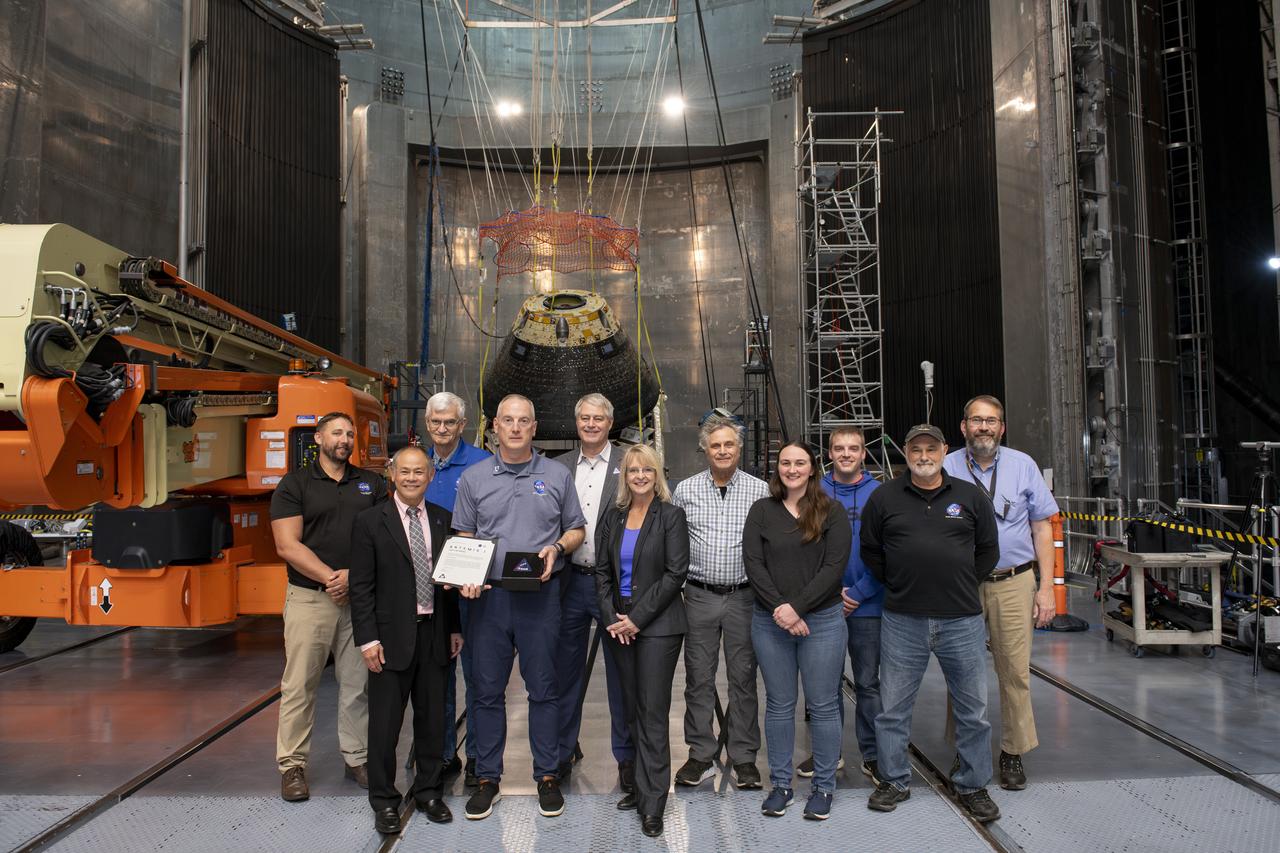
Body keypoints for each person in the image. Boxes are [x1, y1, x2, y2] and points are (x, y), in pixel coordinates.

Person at [451, 394, 587, 821]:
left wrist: (557, 548)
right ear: (495, 425)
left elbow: (576, 529)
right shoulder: (473, 479)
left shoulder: (556, 475)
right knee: (487, 691)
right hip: (489, 599)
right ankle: (488, 778)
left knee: (544, 690)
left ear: (533, 427)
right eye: (507, 420)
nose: (514, 428)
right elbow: (465, 535)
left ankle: (547, 776)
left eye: (523, 421)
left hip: (540, 599)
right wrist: (467, 573)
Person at [861, 424, 1002, 823]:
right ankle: (893, 780)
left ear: (945, 451)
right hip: (903, 618)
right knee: (893, 708)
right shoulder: (884, 497)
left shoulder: (970, 496)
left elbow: (988, 551)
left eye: (931, 449)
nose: (924, 456)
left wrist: (957, 581)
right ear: (905, 452)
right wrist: (902, 581)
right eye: (916, 449)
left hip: (961, 619)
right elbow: (872, 550)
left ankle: (973, 784)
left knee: (973, 708)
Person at [942, 395, 1059, 790]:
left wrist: (1047, 589)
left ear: (1002, 428)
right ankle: (968, 747)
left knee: (1014, 670)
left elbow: (1043, 527)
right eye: (976, 420)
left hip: (1014, 581)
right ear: (963, 427)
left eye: (991, 421)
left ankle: (1013, 752)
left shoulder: (1023, 465)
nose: (984, 428)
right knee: (962, 671)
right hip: (962, 585)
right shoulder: (947, 465)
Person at [270, 412, 387, 801]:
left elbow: (385, 538)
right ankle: (292, 766)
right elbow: (287, 544)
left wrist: (353, 577)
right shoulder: (295, 484)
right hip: (310, 599)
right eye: (337, 432)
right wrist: (330, 577)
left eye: (350, 434)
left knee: (357, 684)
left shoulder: (371, 484)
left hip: (359, 601)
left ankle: (357, 757)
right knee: (299, 684)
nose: (345, 439)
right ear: (318, 438)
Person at [349, 446, 463, 834]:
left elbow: (449, 583)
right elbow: (361, 588)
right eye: (406, 472)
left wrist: (454, 628)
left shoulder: (442, 519)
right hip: (389, 638)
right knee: (384, 725)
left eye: (420, 472)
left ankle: (429, 790)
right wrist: (367, 640)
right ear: (392, 475)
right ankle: (384, 800)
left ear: (430, 477)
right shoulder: (369, 522)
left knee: (432, 719)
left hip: (433, 632)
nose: (413, 478)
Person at [743, 442, 852, 821]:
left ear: (812, 468)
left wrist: (798, 608)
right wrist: (781, 610)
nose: (792, 469)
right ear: (778, 468)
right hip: (770, 622)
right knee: (779, 704)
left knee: (822, 706)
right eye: (785, 462)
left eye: (799, 463)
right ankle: (782, 786)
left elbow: (833, 568)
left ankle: (823, 787)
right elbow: (754, 565)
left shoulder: (831, 511)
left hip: (821, 621)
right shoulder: (762, 511)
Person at [594, 443, 689, 838]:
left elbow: (674, 573)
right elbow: (601, 572)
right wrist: (613, 619)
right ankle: (637, 786)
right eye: (633, 470)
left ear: (657, 474)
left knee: (651, 712)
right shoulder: (612, 517)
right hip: (619, 625)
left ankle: (654, 803)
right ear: (624, 475)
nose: (639, 476)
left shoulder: (670, 516)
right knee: (629, 708)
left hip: (658, 626)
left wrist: (636, 619)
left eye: (647, 470)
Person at [672, 415, 769, 790]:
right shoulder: (686, 490)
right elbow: (676, 543)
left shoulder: (759, 490)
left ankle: (744, 757)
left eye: (729, 445)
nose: (723, 451)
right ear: (705, 450)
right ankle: (701, 754)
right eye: (716, 445)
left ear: (739, 448)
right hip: (698, 595)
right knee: (698, 679)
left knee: (743, 679)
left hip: (744, 597)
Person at [551, 394, 636, 793]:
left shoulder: (628, 465)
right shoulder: (558, 468)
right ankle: (563, 751)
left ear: (610, 422)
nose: (590, 424)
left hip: (613, 587)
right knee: (564, 674)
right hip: (569, 584)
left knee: (622, 676)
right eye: (584, 417)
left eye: (598, 418)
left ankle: (626, 758)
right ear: (576, 421)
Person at [795, 426, 883, 783]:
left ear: (864, 453)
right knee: (824, 685)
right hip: (823, 605)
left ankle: (874, 754)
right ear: (828, 454)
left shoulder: (880, 495)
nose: (846, 454)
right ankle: (827, 755)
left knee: (868, 683)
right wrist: (826, 595)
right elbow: (804, 551)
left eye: (853, 448)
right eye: (839, 448)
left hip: (869, 603)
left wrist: (860, 593)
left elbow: (889, 553)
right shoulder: (813, 494)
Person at [422, 391, 493, 786]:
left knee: (479, 675)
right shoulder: (418, 466)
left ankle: (479, 759)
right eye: (436, 422)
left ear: (462, 425)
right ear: (428, 424)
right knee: (436, 675)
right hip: (428, 588)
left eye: (450, 422)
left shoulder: (483, 464)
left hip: (470, 587)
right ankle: (443, 752)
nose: (443, 429)